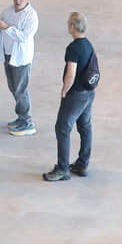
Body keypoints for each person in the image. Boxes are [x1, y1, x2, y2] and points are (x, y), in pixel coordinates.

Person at [42, 12, 101, 182]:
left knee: (62, 128)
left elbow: (71, 74)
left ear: (72, 27)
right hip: (89, 93)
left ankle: (62, 169)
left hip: (76, 95)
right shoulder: (88, 45)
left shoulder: (73, 48)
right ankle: (82, 164)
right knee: (85, 127)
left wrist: (64, 90)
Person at [0, 0, 39, 136]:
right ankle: (21, 117)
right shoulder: (8, 11)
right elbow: (1, 28)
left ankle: (27, 122)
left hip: (21, 58)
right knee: (13, 87)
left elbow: (24, 37)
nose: (17, 0)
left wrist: (5, 27)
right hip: (8, 54)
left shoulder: (31, 16)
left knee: (21, 89)